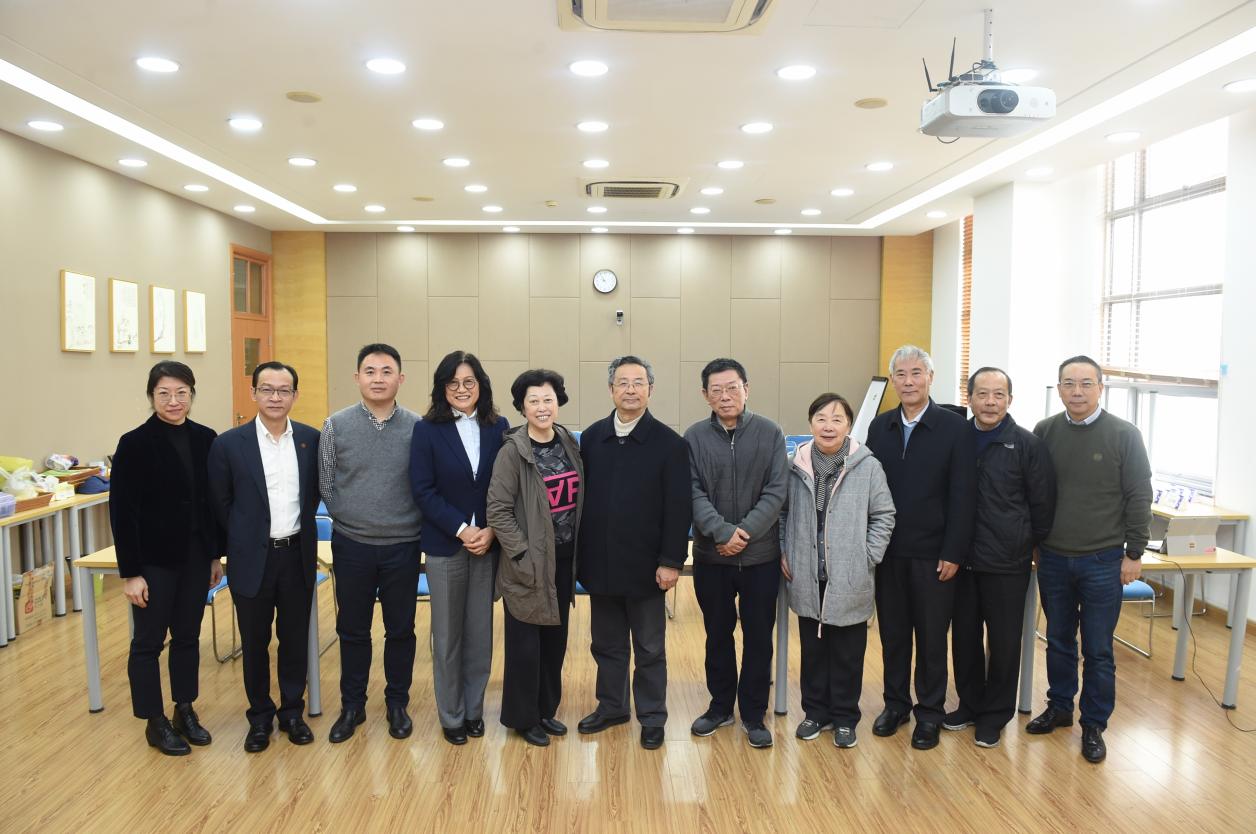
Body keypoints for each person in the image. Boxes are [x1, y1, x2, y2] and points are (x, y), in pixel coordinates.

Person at [1028, 355, 1152, 763]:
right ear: (1059, 388)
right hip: (1053, 558)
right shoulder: (1045, 431)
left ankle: (1094, 724)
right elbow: (1033, 492)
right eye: (1069, 383)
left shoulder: (1124, 434)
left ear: (1101, 387)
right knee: (1058, 640)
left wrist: (1134, 553)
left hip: (1103, 560)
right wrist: (1034, 542)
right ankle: (1060, 706)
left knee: (1098, 648)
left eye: (1085, 384)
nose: (1077, 391)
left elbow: (1139, 495)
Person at [576, 356, 691, 750]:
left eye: (638, 382)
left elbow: (679, 509)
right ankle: (612, 707)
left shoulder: (671, 444)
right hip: (601, 564)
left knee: (649, 647)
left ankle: (652, 716)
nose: (630, 389)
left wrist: (671, 561)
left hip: (647, 568)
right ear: (611, 389)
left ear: (650, 390)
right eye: (622, 383)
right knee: (606, 644)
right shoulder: (592, 438)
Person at [864, 345, 976, 751]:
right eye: (901, 374)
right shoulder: (880, 427)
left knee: (931, 637)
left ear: (930, 377)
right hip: (889, 551)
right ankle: (896, 705)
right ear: (893, 380)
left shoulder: (954, 428)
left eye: (916, 373)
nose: (908, 381)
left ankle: (930, 712)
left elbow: (964, 495)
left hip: (935, 554)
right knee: (894, 635)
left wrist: (954, 552)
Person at [109, 361, 222, 756]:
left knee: (188, 637)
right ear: (151, 396)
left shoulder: (206, 438)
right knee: (148, 642)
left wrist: (214, 555)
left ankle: (184, 709)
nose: (174, 401)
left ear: (191, 394)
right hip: (153, 561)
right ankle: (154, 721)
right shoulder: (134, 443)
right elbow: (123, 514)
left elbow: (211, 504)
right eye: (164, 394)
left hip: (195, 556)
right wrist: (131, 574)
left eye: (181, 393)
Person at [207, 361, 321, 753]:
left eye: (284, 390)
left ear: (295, 395)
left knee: (294, 639)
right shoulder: (228, 444)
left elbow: (315, 495)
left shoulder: (310, 440)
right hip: (251, 559)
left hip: (296, 555)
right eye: (267, 389)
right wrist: (241, 540)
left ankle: (292, 713)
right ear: (253, 393)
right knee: (255, 642)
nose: (275, 397)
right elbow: (220, 503)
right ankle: (259, 717)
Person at [944, 367, 1056, 748]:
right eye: (982, 394)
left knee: (1005, 643)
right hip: (961, 560)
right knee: (964, 638)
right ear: (969, 398)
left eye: (998, 395)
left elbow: (1042, 506)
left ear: (1010, 399)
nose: (990, 402)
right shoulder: (956, 439)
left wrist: (1025, 543)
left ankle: (995, 714)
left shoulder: (1027, 445)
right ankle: (969, 705)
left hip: (1007, 561)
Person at [319, 343, 423, 743]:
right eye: (370, 371)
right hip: (353, 545)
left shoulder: (418, 427)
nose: (378, 379)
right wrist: (350, 517)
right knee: (352, 630)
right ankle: (352, 706)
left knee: (401, 630)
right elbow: (326, 483)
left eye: (386, 371)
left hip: (403, 544)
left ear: (400, 378)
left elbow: (424, 483)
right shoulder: (336, 425)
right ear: (357, 377)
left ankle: (397, 703)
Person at [781, 393, 895, 750]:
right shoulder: (794, 466)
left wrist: (867, 556)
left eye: (837, 419)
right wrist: (785, 550)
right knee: (813, 652)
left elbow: (884, 515)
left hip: (849, 574)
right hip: (807, 571)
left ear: (848, 425)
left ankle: (845, 717)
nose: (828, 426)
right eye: (821, 418)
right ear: (810, 424)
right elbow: (781, 513)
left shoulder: (868, 466)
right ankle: (815, 713)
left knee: (847, 653)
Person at [685, 358, 789, 749]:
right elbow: (692, 492)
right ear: (705, 395)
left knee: (759, 637)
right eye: (717, 390)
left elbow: (776, 491)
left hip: (760, 557)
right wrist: (722, 533)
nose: (725, 396)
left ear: (746, 388)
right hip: (712, 557)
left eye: (732, 388)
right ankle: (719, 707)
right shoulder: (694, 437)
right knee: (717, 634)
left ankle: (754, 713)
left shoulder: (770, 432)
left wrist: (742, 533)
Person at [409, 351, 508, 745]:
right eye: (453, 383)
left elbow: (507, 486)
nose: (462, 389)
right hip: (446, 545)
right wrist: (463, 529)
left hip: (488, 545)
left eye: (469, 382)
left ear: (480, 385)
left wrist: (492, 531)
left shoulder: (499, 427)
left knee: (480, 635)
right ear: (442, 388)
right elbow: (422, 490)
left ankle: (473, 710)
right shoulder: (426, 430)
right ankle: (451, 715)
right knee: (447, 636)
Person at [487, 369, 584, 747]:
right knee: (525, 646)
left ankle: (545, 710)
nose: (542, 407)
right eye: (533, 401)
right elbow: (498, 510)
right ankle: (522, 718)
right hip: (527, 564)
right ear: (522, 407)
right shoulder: (513, 451)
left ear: (558, 403)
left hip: (563, 560)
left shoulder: (567, 441)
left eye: (548, 399)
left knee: (554, 642)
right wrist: (522, 552)